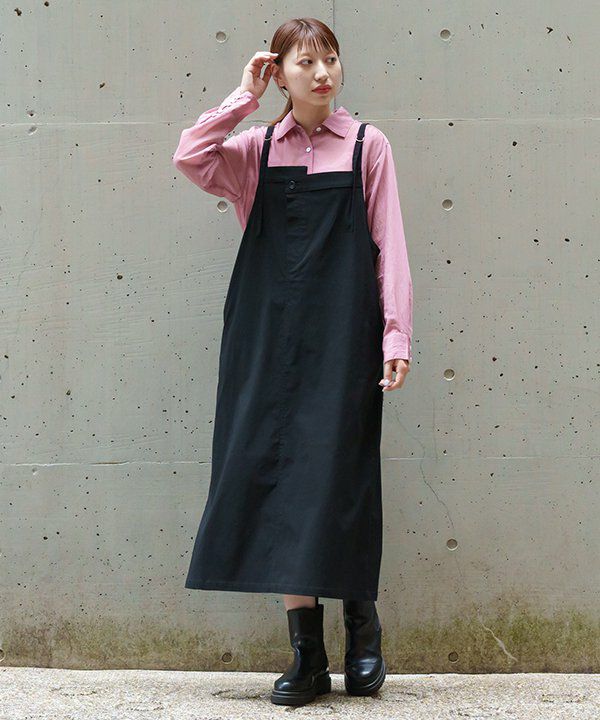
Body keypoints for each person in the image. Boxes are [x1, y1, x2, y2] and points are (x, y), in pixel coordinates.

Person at [172, 17, 413, 707]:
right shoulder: (255, 150)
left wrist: (395, 336)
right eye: (306, 62)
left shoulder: (367, 145)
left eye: (330, 58)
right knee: (278, 485)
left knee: (342, 480)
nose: (323, 72)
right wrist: (242, 99)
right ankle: (307, 654)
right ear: (280, 73)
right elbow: (191, 156)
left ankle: (362, 632)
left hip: (344, 339)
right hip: (266, 342)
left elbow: (390, 244)